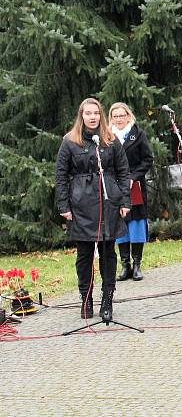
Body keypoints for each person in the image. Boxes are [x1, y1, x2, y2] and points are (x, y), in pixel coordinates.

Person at [55, 98, 131, 321]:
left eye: (96, 113)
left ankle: (107, 299)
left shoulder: (110, 139)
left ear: (100, 115)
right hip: (81, 205)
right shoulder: (69, 141)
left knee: (108, 253)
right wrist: (63, 205)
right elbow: (60, 176)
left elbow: (123, 171)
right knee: (85, 254)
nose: (92, 117)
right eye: (88, 113)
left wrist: (125, 201)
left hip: (108, 203)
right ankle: (85, 299)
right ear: (81, 116)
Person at [109, 102, 153, 282]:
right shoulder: (107, 136)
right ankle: (125, 265)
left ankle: (136, 265)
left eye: (122, 115)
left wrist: (133, 177)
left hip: (135, 185)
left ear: (128, 116)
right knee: (120, 224)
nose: (119, 119)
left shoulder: (138, 134)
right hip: (115, 186)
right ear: (111, 118)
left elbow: (147, 159)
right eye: (115, 116)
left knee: (135, 225)